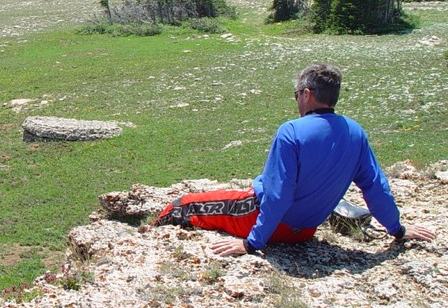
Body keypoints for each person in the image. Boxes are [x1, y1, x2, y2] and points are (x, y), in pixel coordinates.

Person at [153, 63, 436, 256]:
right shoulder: (356, 133)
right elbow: (375, 187)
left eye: (297, 94)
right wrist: (398, 229)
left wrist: (252, 244)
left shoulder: (291, 131)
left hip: (261, 222)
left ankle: (149, 233)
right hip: (304, 231)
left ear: (308, 94)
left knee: (182, 205)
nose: (297, 99)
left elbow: (277, 195)